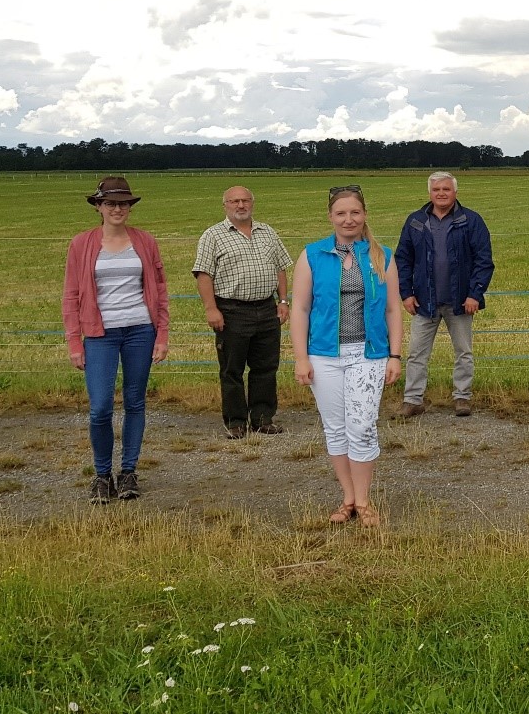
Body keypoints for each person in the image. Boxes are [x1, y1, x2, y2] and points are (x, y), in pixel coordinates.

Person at [289, 185, 403, 527]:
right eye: (341, 213)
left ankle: (366, 500)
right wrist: (300, 357)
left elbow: (394, 310)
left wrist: (395, 355)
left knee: (362, 425)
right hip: (323, 355)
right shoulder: (312, 255)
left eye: (355, 212)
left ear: (364, 214)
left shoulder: (381, 254)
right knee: (335, 427)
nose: (348, 219)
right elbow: (300, 308)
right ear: (330, 217)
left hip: (368, 354)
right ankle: (348, 498)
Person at [62, 176, 170, 504]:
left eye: (124, 203)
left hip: (140, 330)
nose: (118, 209)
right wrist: (74, 342)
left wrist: (161, 334)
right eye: (111, 203)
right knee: (100, 408)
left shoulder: (145, 241)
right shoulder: (81, 244)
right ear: (98, 207)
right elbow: (71, 295)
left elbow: (160, 290)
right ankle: (101, 475)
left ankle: (128, 472)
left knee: (135, 402)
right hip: (100, 335)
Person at [192, 186, 293, 439]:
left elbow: (281, 268)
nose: (240, 205)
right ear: (225, 205)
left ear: (253, 203)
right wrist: (211, 308)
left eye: (245, 200)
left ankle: (262, 418)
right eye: (234, 201)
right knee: (232, 370)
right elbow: (204, 274)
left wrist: (283, 301)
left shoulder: (267, 232)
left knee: (266, 368)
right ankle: (236, 422)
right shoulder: (213, 236)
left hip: (266, 308)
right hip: (232, 310)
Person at [395, 172, 495, 418]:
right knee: (417, 353)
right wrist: (406, 294)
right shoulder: (416, 221)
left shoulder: (471, 221)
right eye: (436, 189)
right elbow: (403, 260)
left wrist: (474, 294)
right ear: (429, 193)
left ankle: (462, 398)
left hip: (460, 301)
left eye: (446, 189)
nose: (441, 193)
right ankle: (413, 400)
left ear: (455, 192)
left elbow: (484, 261)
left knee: (463, 351)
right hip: (423, 301)